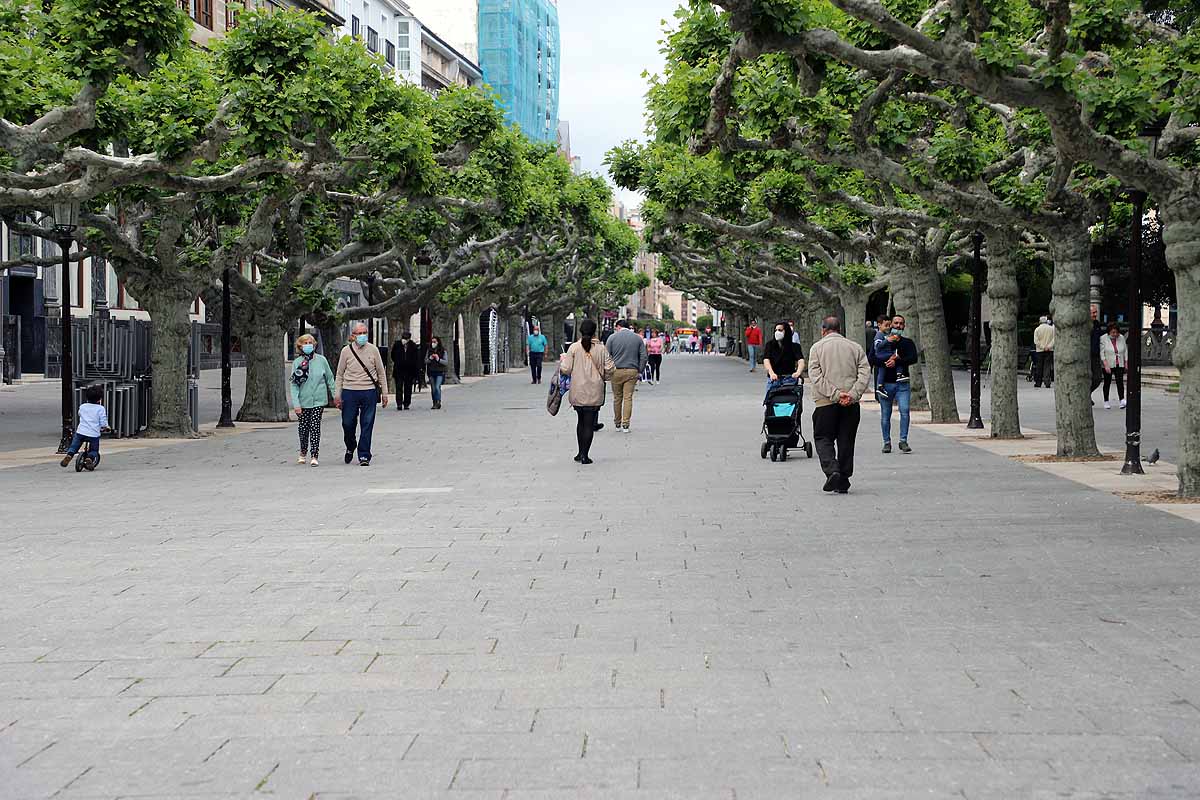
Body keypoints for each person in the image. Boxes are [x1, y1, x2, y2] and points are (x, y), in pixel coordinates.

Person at [807, 316, 870, 494]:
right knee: (846, 440)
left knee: (823, 438)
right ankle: (843, 478)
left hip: (825, 403)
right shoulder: (855, 347)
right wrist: (852, 393)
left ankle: (832, 469)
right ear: (840, 329)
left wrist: (834, 394)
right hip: (850, 403)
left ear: (823, 330)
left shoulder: (817, 348)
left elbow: (815, 376)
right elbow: (865, 372)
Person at [559, 319, 615, 464]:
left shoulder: (574, 348)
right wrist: (603, 377)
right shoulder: (601, 349)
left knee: (581, 421)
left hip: (578, 389)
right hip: (595, 390)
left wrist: (564, 361)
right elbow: (610, 368)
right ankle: (585, 455)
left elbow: (565, 369)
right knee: (589, 423)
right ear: (594, 331)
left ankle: (580, 452)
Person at [335, 323, 389, 466]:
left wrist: (384, 393)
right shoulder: (346, 351)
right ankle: (350, 445)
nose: (362, 335)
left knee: (367, 423)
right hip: (349, 391)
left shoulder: (373, 350)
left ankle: (364, 455)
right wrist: (337, 394)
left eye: (364, 332)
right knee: (347, 423)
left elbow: (381, 372)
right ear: (353, 336)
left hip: (369, 391)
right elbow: (339, 374)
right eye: (359, 333)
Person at [873, 314, 918, 454]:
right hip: (886, 383)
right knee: (886, 415)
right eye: (896, 323)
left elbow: (913, 358)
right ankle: (886, 442)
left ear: (904, 326)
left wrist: (897, 361)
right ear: (891, 325)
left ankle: (903, 441)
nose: (898, 326)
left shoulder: (907, 343)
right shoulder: (883, 341)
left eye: (901, 323)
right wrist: (886, 362)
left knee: (904, 411)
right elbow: (872, 358)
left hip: (902, 383)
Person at [290, 334, 336, 466]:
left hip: (318, 400)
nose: (309, 345)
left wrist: (335, 396)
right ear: (300, 346)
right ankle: (303, 452)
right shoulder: (297, 363)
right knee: (303, 428)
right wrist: (296, 404)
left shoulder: (321, 360)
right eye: (305, 343)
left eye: (311, 342)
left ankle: (314, 454)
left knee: (315, 426)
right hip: (303, 401)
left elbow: (330, 378)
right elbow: (294, 384)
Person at [606, 318, 648, 432]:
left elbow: (606, 356)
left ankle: (617, 423)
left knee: (617, 398)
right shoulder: (637, 338)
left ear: (618, 326)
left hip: (616, 371)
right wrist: (640, 370)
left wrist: (607, 371)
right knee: (628, 397)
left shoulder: (612, 338)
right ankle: (626, 424)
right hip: (632, 371)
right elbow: (644, 356)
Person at [60, 384, 109, 469]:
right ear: (100, 399)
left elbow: (79, 414)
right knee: (94, 450)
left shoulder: (82, 406)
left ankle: (69, 455)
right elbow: (103, 421)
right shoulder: (100, 409)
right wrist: (106, 427)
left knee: (74, 446)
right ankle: (89, 458)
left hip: (81, 432)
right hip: (93, 434)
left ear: (87, 398)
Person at [763, 321, 806, 397]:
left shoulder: (794, 346)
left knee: (790, 402)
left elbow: (801, 360)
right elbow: (766, 359)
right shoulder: (770, 345)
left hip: (789, 379)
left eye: (780, 330)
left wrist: (798, 372)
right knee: (771, 402)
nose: (777, 332)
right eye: (776, 330)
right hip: (774, 379)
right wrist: (771, 373)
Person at [390, 332, 421, 410]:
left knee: (408, 388)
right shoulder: (397, 345)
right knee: (399, 387)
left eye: (406, 339)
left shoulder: (413, 346)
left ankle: (406, 403)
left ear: (409, 339)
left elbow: (416, 358)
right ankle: (399, 403)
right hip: (399, 370)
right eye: (403, 338)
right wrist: (398, 361)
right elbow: (392, 355)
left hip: (409, 370)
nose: (404, 340)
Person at [1100, 322, 1128, 409]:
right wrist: (1105, 364)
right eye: (1113, 332)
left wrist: (1126, 362)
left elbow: (1125, 350)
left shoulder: (1121, 338)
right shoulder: (1103, 338)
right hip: (1108, 363)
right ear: (1109, 332)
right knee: (1107, 383)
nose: (1115, 334)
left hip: (1119, 362)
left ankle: (1122, 399)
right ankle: (1106, 401)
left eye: (1116, 332)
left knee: (1120, 382)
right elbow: (1102, 353)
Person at [426, 335, 449, 410]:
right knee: (433, 388)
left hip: (440, 371)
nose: (433, 343)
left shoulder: (443, 351)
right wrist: (430, 358)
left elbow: (445, 362)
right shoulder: (429, 350)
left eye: (434, 342)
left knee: (437, 386)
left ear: (438, 342)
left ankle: (438, 401)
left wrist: (438, 359)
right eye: (432, 342)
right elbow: (425, 361)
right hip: (431, 371)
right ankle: (434, 402)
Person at [1033, 315, 1055, 388]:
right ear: (1046, 321)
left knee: (1039, 366)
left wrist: (1042, 347)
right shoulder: (1051, 329)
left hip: (1039, 350)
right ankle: (1047, 382)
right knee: (1047, 366)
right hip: (1049, 350)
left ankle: (1038, 382)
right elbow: (1054, 339)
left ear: (1040, 322)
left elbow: (1036, 341)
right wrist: (1049, 347)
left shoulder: (1037, 329)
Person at [1090, 305, 1105, 402]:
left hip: (1095, 355)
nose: (1095, 314)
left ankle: (1087, 393)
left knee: (1098, 377)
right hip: (1085, 356)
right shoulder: (1083, 325)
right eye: (1093, 312)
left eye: (1096, 312)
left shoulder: (1097, 324)